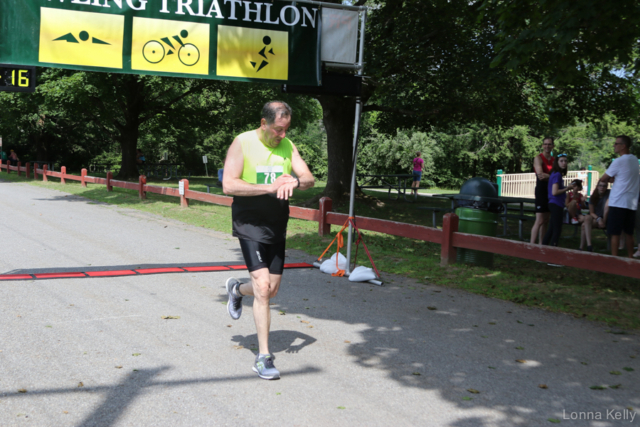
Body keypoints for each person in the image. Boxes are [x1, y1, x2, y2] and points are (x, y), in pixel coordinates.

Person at [222, 101, 315, 380]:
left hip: (277, 225)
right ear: (263, 124)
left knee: (271, 290)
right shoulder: (243, 142)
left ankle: (237, 289)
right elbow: (229, 184)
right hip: (250, 224)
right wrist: (269, 187)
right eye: (277, 129)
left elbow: (309, 178)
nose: (282, 135)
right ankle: (264, 357)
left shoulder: (288, 146)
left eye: (286, 129)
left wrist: (294, 183)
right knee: (263, 288)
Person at [599, 135, 640, 257]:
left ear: (623, 146)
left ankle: (614, 259)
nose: (614, 145)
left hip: (618, 202)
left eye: (616, 143)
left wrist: (611, 178)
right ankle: (630, 257)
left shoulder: (618, 161)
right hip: (631, 203)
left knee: (615, 233)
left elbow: (603, 178)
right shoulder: (634, 160)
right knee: (629, 233)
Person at [542, 153, 574, 247]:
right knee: (557, 230)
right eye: (561, 161)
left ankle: (542, 250)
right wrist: (567, 188)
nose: (564, 163)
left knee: (551, 229)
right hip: (556, 204)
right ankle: (552, 252)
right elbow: (555, 192)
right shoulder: (557, 175)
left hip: (554, 204)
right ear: (557, 162)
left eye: (565, 161)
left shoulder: (554, 173)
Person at [531, 137, 555, 244]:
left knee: (546, 221)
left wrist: (549, 176)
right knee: (539, 220)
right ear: (542, 146)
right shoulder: (538, 158)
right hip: (541, 191)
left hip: (550, 192)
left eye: (549, 144)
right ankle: (531, 245)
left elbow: (560, 175)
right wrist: (553, 177)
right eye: (545, 144)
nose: (547, 146)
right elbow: (540, 176)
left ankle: (542, 245)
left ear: (553, 146)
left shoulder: (554, 160)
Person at [580, 181, 610, 252]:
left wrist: (603, 221)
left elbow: (607, 209)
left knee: (584, 225)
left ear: (606, 187)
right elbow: (592, 212)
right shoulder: (593, 197)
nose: (602, 187)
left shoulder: (609, 194)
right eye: (600, 186)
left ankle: (582, 247)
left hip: (605, 218)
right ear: (597, 186)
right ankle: (589, 246)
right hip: (596, 218)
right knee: (587, 217)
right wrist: (598, 219)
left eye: (604, 186)